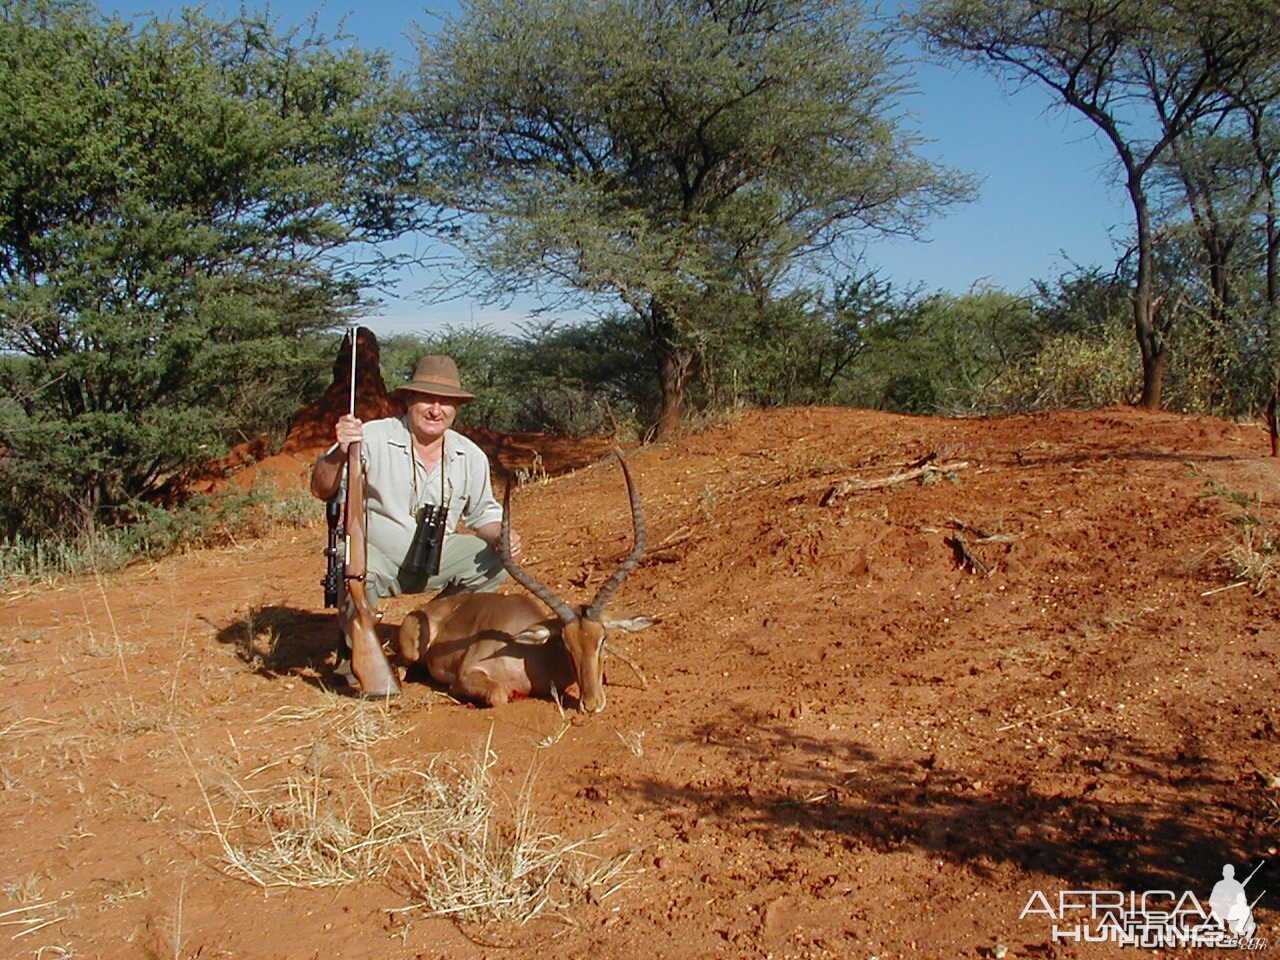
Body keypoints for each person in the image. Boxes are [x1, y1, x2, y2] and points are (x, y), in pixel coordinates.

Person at [310, 354, 522, 695]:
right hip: (377, 558)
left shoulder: (470, 455)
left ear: (457, 408)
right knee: (351, 566)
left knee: (494, 559)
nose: (436, 409)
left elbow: (483, 513)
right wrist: (338, 453)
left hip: (432, 557)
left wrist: (502, 535)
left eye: (447, 402)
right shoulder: (370, 436)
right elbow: (322, 487)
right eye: (428, 399)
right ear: (409, 400)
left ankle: (434, 631)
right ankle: (353, 654)